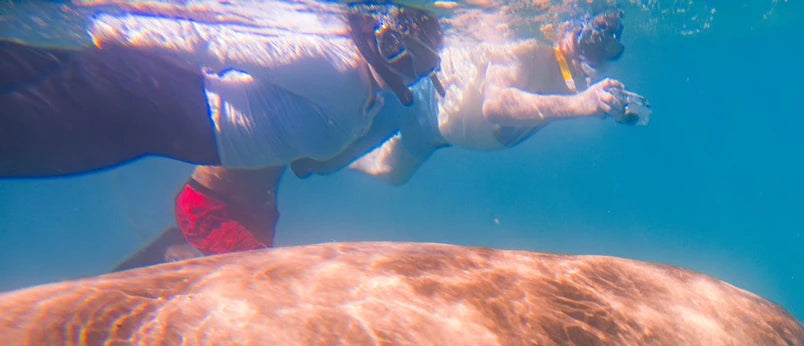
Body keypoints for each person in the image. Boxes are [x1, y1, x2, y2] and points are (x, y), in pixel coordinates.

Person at [111, 8, 644, 265]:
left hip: (426, 132)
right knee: (260, 259)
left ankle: (139, 276)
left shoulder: (325, 109)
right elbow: (496, 104)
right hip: (420, 117)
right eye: (591, 45)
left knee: (361, 168)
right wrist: (580, 105)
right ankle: (143, 279)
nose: (592, 61)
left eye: (605, 55)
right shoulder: (522, 52)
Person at [0, 2, 443, 177]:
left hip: (161, 103)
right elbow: (219, 46)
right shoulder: (355, 86)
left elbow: (218, 45)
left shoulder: (343, 73)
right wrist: (120, 30)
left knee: (24, 122)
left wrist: (118, 28)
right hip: (163, 106)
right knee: (21, 137)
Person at [351, 8, 641, 184]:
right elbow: (496, 105)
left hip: (438, 132)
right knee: (330, 154)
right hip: (419, 100)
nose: (597, 55)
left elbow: (566, 97)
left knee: (389, 174)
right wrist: (580, 104)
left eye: (610, 48)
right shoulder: (528, 48)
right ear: (568, 30)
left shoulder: (573, 74)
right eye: (592, 39)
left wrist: (610, 107)